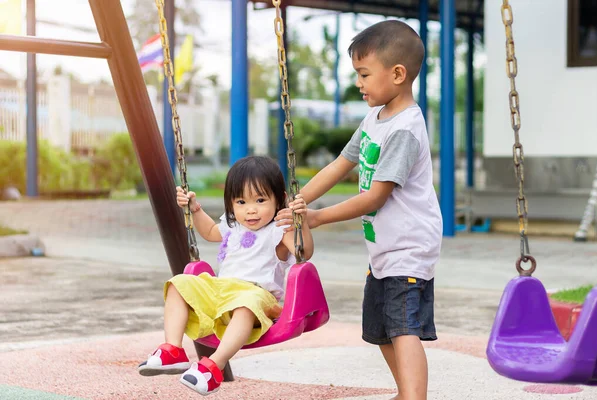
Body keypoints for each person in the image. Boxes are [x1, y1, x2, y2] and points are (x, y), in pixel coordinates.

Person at [276, 20, 442, 400]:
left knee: (403, 328)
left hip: (410, 247)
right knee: (382, 327)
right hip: (384, 249)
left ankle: (414, 397)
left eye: (364, 74)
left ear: (397, 74)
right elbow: (339, 164)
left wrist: (318, 217)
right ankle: (405, 391)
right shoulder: (376, 120)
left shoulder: (404, 129)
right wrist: (297, 202)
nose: (359, 83)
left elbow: (374, 198)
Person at [138, 156, 313, 396]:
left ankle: (213, 366)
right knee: (179, 284)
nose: (250, 209)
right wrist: (195, 209)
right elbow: (210, 232)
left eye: (260, 200)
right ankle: (173, 349)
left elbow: (304, 252)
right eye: (241, 202)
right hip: (221, 291)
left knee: (244, 304)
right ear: (231, 203)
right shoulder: (232, 225)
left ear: (280, 199)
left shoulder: (279, 230)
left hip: (256, 295)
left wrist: (300, 223)